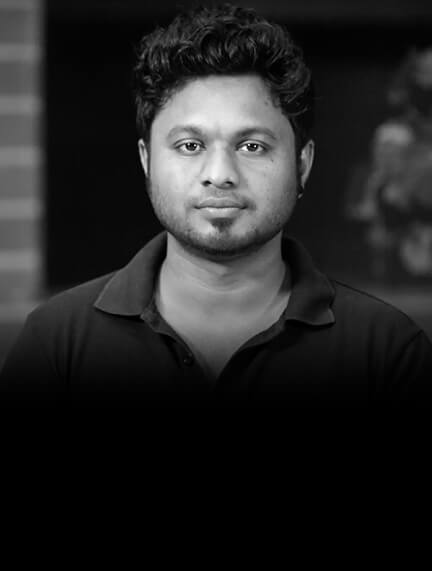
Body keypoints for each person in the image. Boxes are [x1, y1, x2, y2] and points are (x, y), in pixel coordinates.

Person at [1, 3, 431, 409]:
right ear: (146, 161)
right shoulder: (57, 344)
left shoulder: (387, 352)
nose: (220, 173)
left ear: (302, 164)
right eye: (190, 145)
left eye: (252, 146)